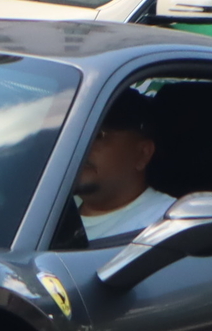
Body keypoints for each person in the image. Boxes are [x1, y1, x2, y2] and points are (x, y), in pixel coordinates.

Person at [73, 88, 174, 244]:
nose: (83, 144)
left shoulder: (168, 223)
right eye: (77, 133)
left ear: (142, 154)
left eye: (99, 135)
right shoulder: (48, 204)